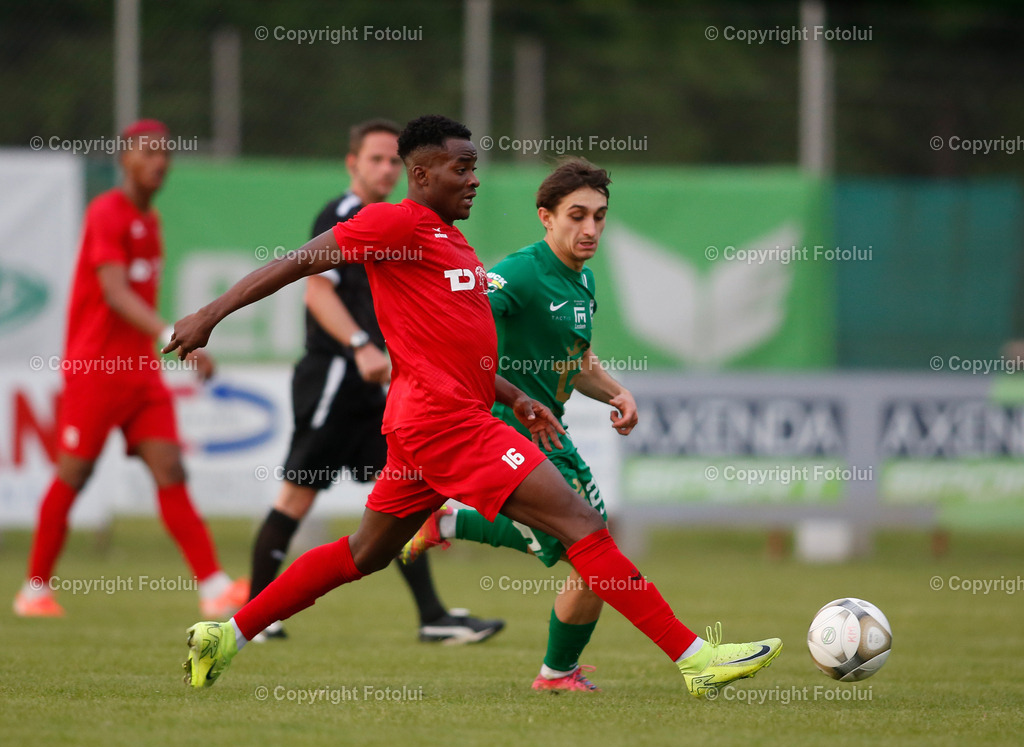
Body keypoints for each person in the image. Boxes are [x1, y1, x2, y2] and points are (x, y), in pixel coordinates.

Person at [168, 115, 782, 699]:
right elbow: (298, 261)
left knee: (365, 553)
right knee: (583, 524)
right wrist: (208, 315)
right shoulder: (394, 224)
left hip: (430, 422)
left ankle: (225, 637)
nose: (474, 178)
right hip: (446, 423)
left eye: (475, 166)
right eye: (462, 168)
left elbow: (455, 343)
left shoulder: (450, 243)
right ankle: (695, 659)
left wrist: (515, 396)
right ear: (423, 174)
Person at [249, 118, 503, 644]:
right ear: (353, 164)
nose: (386, 169)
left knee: (400, 508)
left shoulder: (412, 224)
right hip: (336, 376)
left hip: (381, 387)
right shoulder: (348, 215)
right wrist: (359, 345)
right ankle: (257, 610)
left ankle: (432, 615)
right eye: (376, 160)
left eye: (392, 160)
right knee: (297, 496)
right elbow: (315, 290)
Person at [401, 158, 631, 691]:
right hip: (510, 426)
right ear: (546, 217)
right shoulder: (522, 271)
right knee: (594, 550)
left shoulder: (583, 280)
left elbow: (575, 361)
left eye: (599, 216)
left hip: (552, 429)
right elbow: (466, 312)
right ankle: (558, 673)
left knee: (591, 549)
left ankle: (448, 524)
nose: (591, 228)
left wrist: (617, 392)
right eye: (577, 215)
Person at [14, 120, 247, 619]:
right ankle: (34, 590)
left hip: (141, 373)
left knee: (171, 468)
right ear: (124, 159)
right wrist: (173, 335)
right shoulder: (106, 212)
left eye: (165, 153)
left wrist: (165, 343)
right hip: (96, 370)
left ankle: (213, 585)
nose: (158, 161)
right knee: (73, 475)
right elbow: (115, 293)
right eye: (147, 152)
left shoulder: (152, 221)